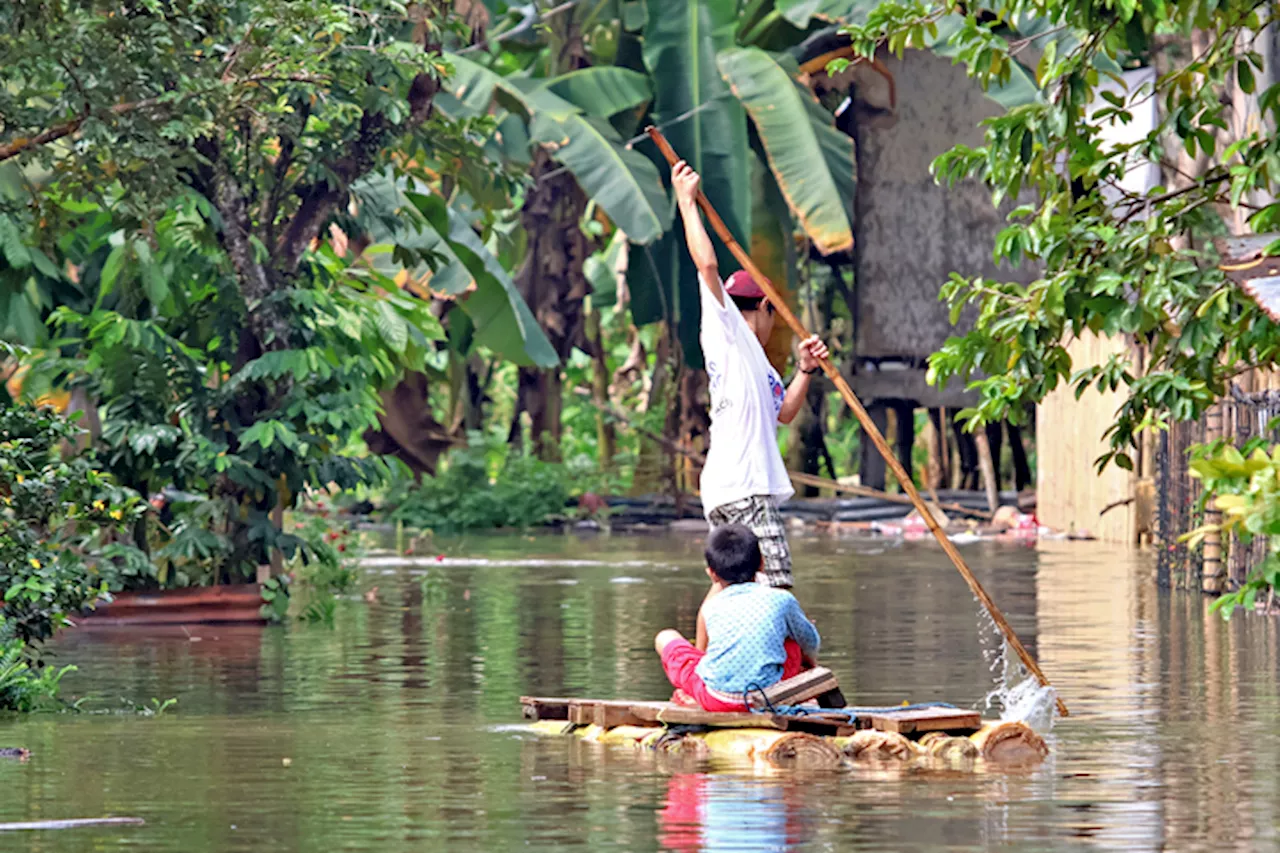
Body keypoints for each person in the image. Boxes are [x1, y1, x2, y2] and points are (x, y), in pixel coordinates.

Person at [671, 160, 829, 589]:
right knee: (775, 588)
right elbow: (706, 267)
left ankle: (709, 656)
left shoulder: (759, 365)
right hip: (744, 488)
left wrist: (805, 370)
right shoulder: (728, 331)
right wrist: (687, 204)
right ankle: (793, 659)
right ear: (765, 309)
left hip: (729, 490)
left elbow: (784, 413)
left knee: (733, 592)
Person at [655, 524, 820, 712]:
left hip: (716, 699)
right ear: (762, 563)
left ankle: (693, 694)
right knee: (793, 639)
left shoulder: (711, 606)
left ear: (711, 574)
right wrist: (809, 665)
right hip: (770, 696)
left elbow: (707, 651)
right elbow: (811, 642)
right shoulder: (782, 599)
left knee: (665, 637)